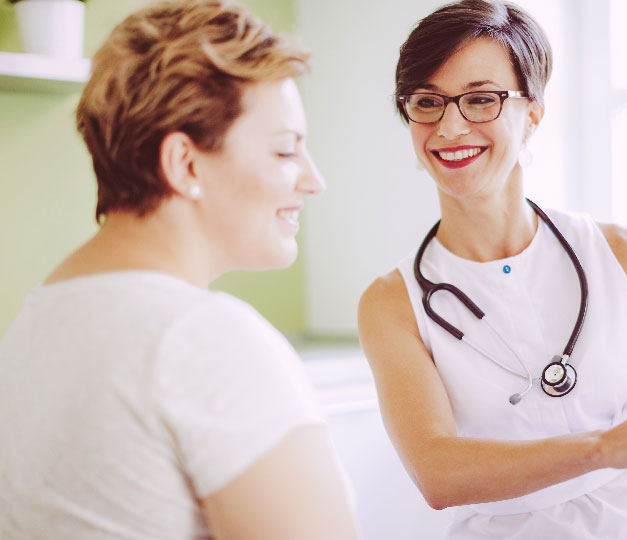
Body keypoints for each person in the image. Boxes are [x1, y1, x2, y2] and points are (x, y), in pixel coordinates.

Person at [357, 1, 627, 538]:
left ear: (533, 113)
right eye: (427, 102)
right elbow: (437, 473)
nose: (449, 126)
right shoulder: (391, 303)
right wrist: (607, 447)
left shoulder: (620, 253)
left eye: (480, 100)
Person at [0, 1, 359, 539]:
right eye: (285, 152)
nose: (313, 180)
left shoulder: (34, 326)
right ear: (185, 165)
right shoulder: (205, 342)